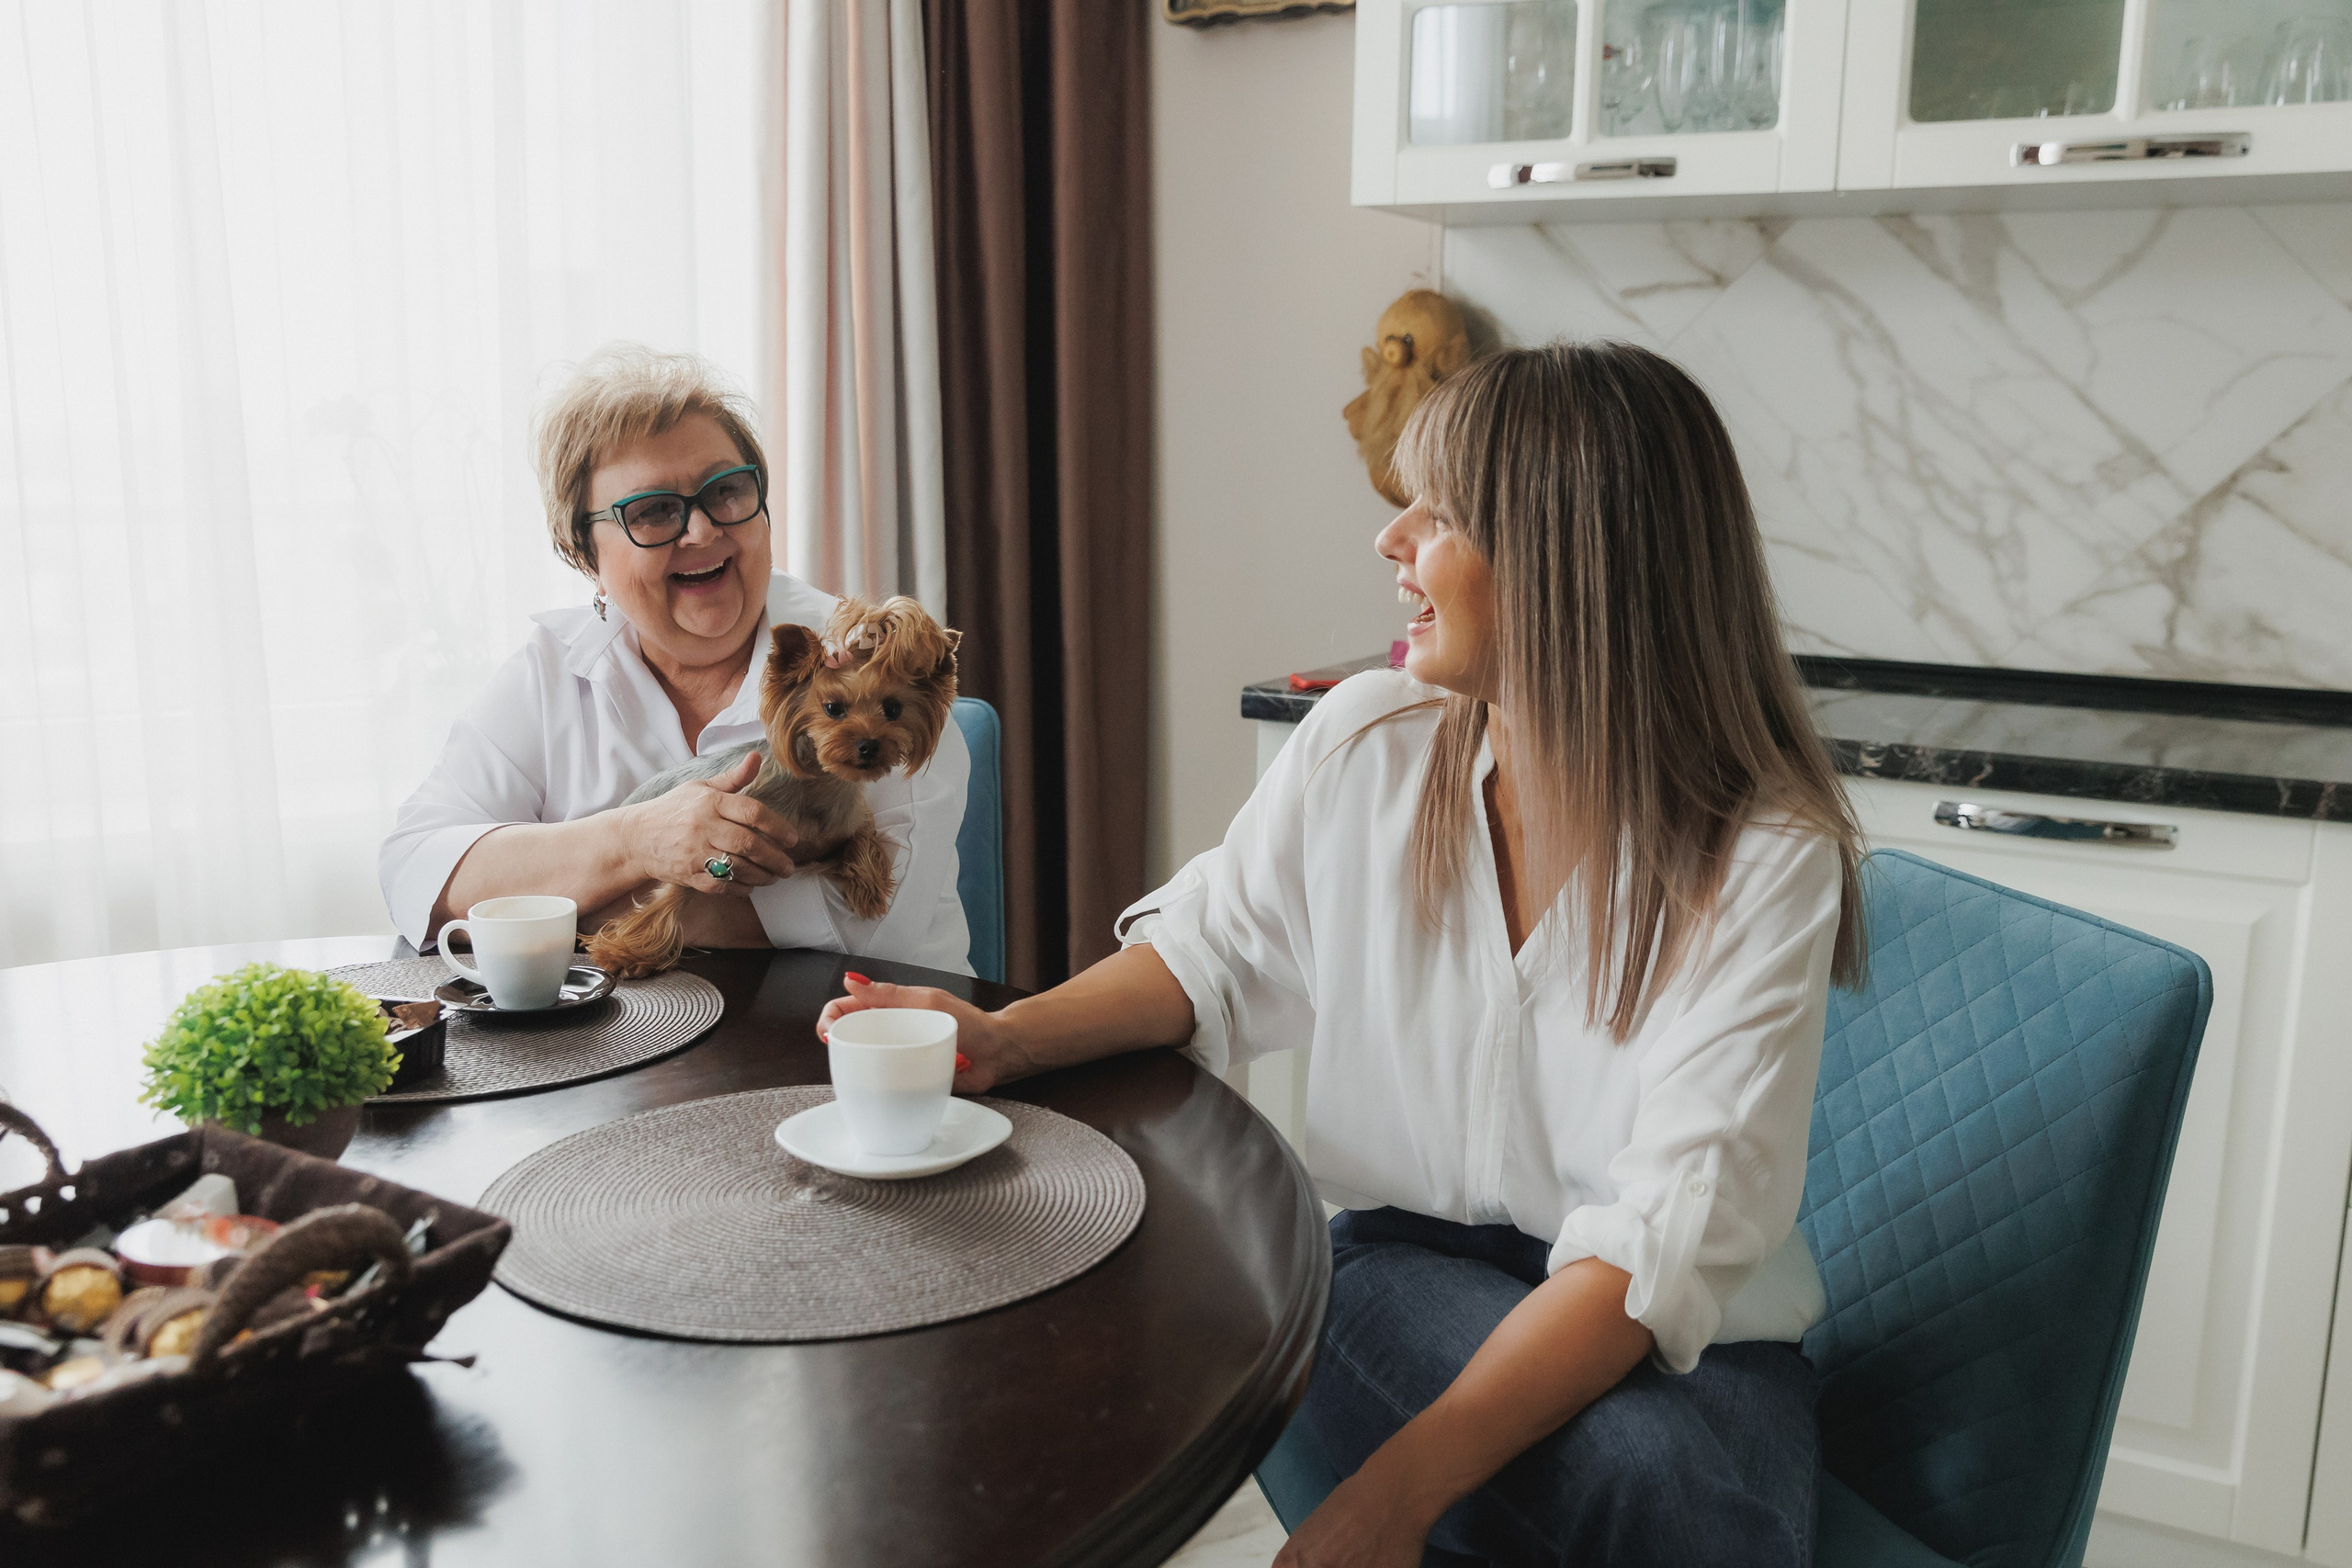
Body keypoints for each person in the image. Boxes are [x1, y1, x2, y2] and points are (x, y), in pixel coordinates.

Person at [820, 341, 1864, 1565]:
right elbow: (1213, 951)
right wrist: (1004, 1035)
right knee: (1653, 1495)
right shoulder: (1372, 740)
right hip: (1404, 1277)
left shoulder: (1763, 851)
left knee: (1649, 1482)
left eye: (1440, 513)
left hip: (1698, 1330)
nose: (1390, 539)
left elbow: (1654, 1246)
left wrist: (1390, 1493)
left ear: (1568, 557)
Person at [380, 344, 971, 971]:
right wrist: (635, 841)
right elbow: (418, 869)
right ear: (585, 556)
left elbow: (867, 924)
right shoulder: (552, 670)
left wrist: (555, 907)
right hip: (623, 1048)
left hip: (862, 1042)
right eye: (653, 511)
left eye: (727, 490)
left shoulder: (870, 662)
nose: (701, 530)